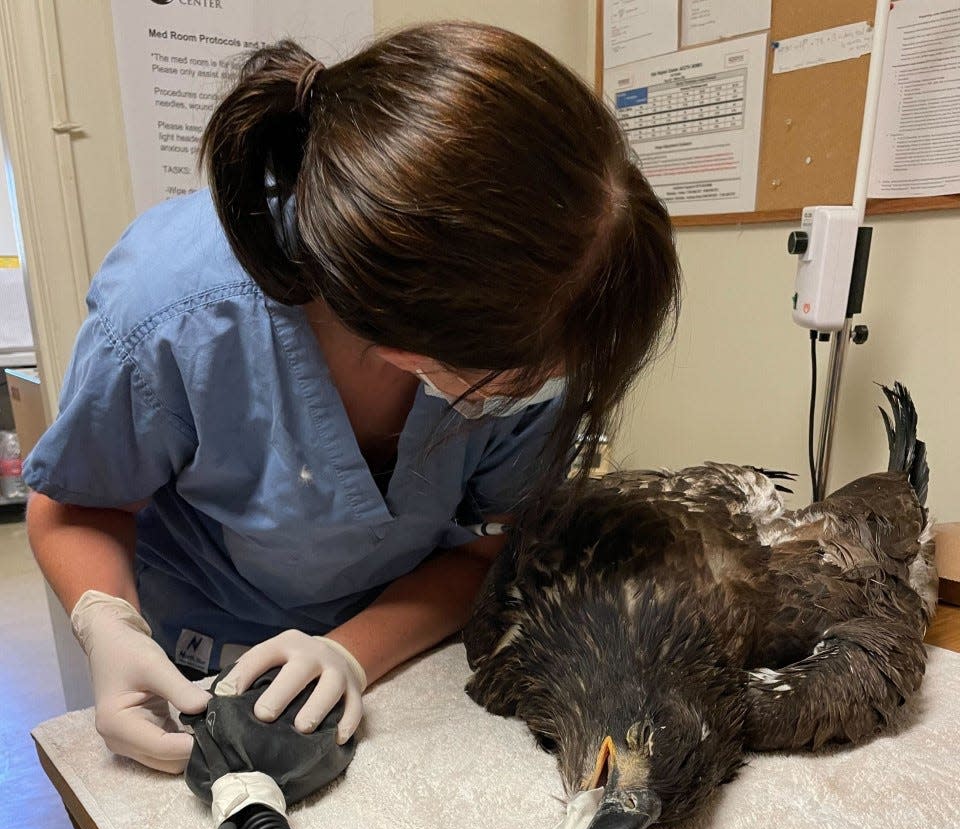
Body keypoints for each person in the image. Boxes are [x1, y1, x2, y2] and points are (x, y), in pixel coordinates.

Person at [25, 21, 680, 774]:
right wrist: (109, 625)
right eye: (526, 378)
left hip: (412, 654)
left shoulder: (535, 318)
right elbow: (75, 502)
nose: (546, 392)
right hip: (202, 669)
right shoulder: (171, 312)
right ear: (404, 351)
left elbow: (490, 547)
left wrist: (351, 651)